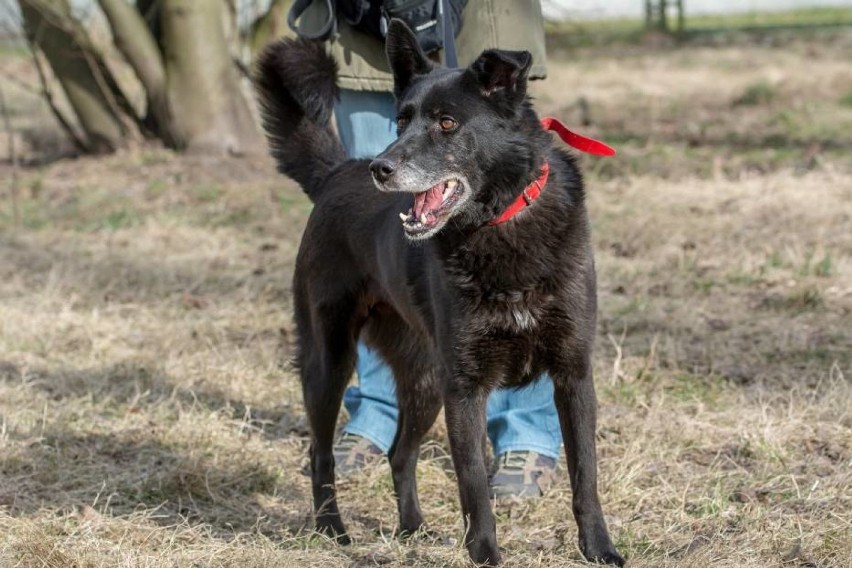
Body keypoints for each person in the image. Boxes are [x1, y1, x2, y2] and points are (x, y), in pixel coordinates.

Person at [293, 0, 559, 498]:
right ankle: (379, 412)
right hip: (366, 33)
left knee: (515, 253)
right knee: (380, 246)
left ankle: (523, 431)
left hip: (484, 18)